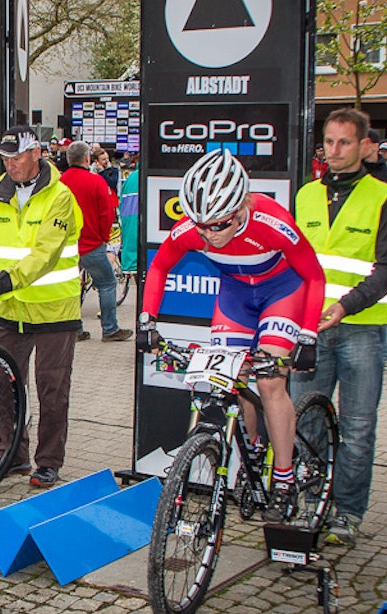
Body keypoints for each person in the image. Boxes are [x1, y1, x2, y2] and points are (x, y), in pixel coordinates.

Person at [138, 149, 325, 521]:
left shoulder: (272, 222)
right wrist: (148, 320)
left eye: (218, 225)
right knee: (231, 380)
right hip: (237, 295)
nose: (207, 234)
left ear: (241, 209)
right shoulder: (195, 228)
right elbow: (159, 266)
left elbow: (314, 276)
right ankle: (253, 450)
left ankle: (284, 479)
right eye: (200, 225)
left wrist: (307, 335)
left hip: (282, 292)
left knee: (270, 382)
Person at [292, 108, 387, 545]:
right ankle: (310, 503)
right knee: (307, 424)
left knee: (357, 428)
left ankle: (348, 513)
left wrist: (346, 305)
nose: (333, 151)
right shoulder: (305, 195)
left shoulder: (383, 196)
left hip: (362, 327)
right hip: (310, 328)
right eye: (329, 142)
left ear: (363, 146)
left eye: (343, 143)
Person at [0, 125, 83, 488]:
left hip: (55, 309)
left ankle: (48, 462)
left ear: (36, 154)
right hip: (12, 309)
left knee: (52, 390)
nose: (9, 164)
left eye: (16, 157)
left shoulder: (60, 196)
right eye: (4, 158)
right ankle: (12, 454)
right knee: (3, 386)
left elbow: (43, 256)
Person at [61, 141, 131, 343]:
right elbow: (107, 214)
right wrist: (103, 238)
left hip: (67, 247)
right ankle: (110, 329)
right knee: (107, 284)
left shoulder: (60, 183)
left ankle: (75, 330)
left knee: (72, 288)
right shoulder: (96, 181)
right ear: (87, 159)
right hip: (92, 244)